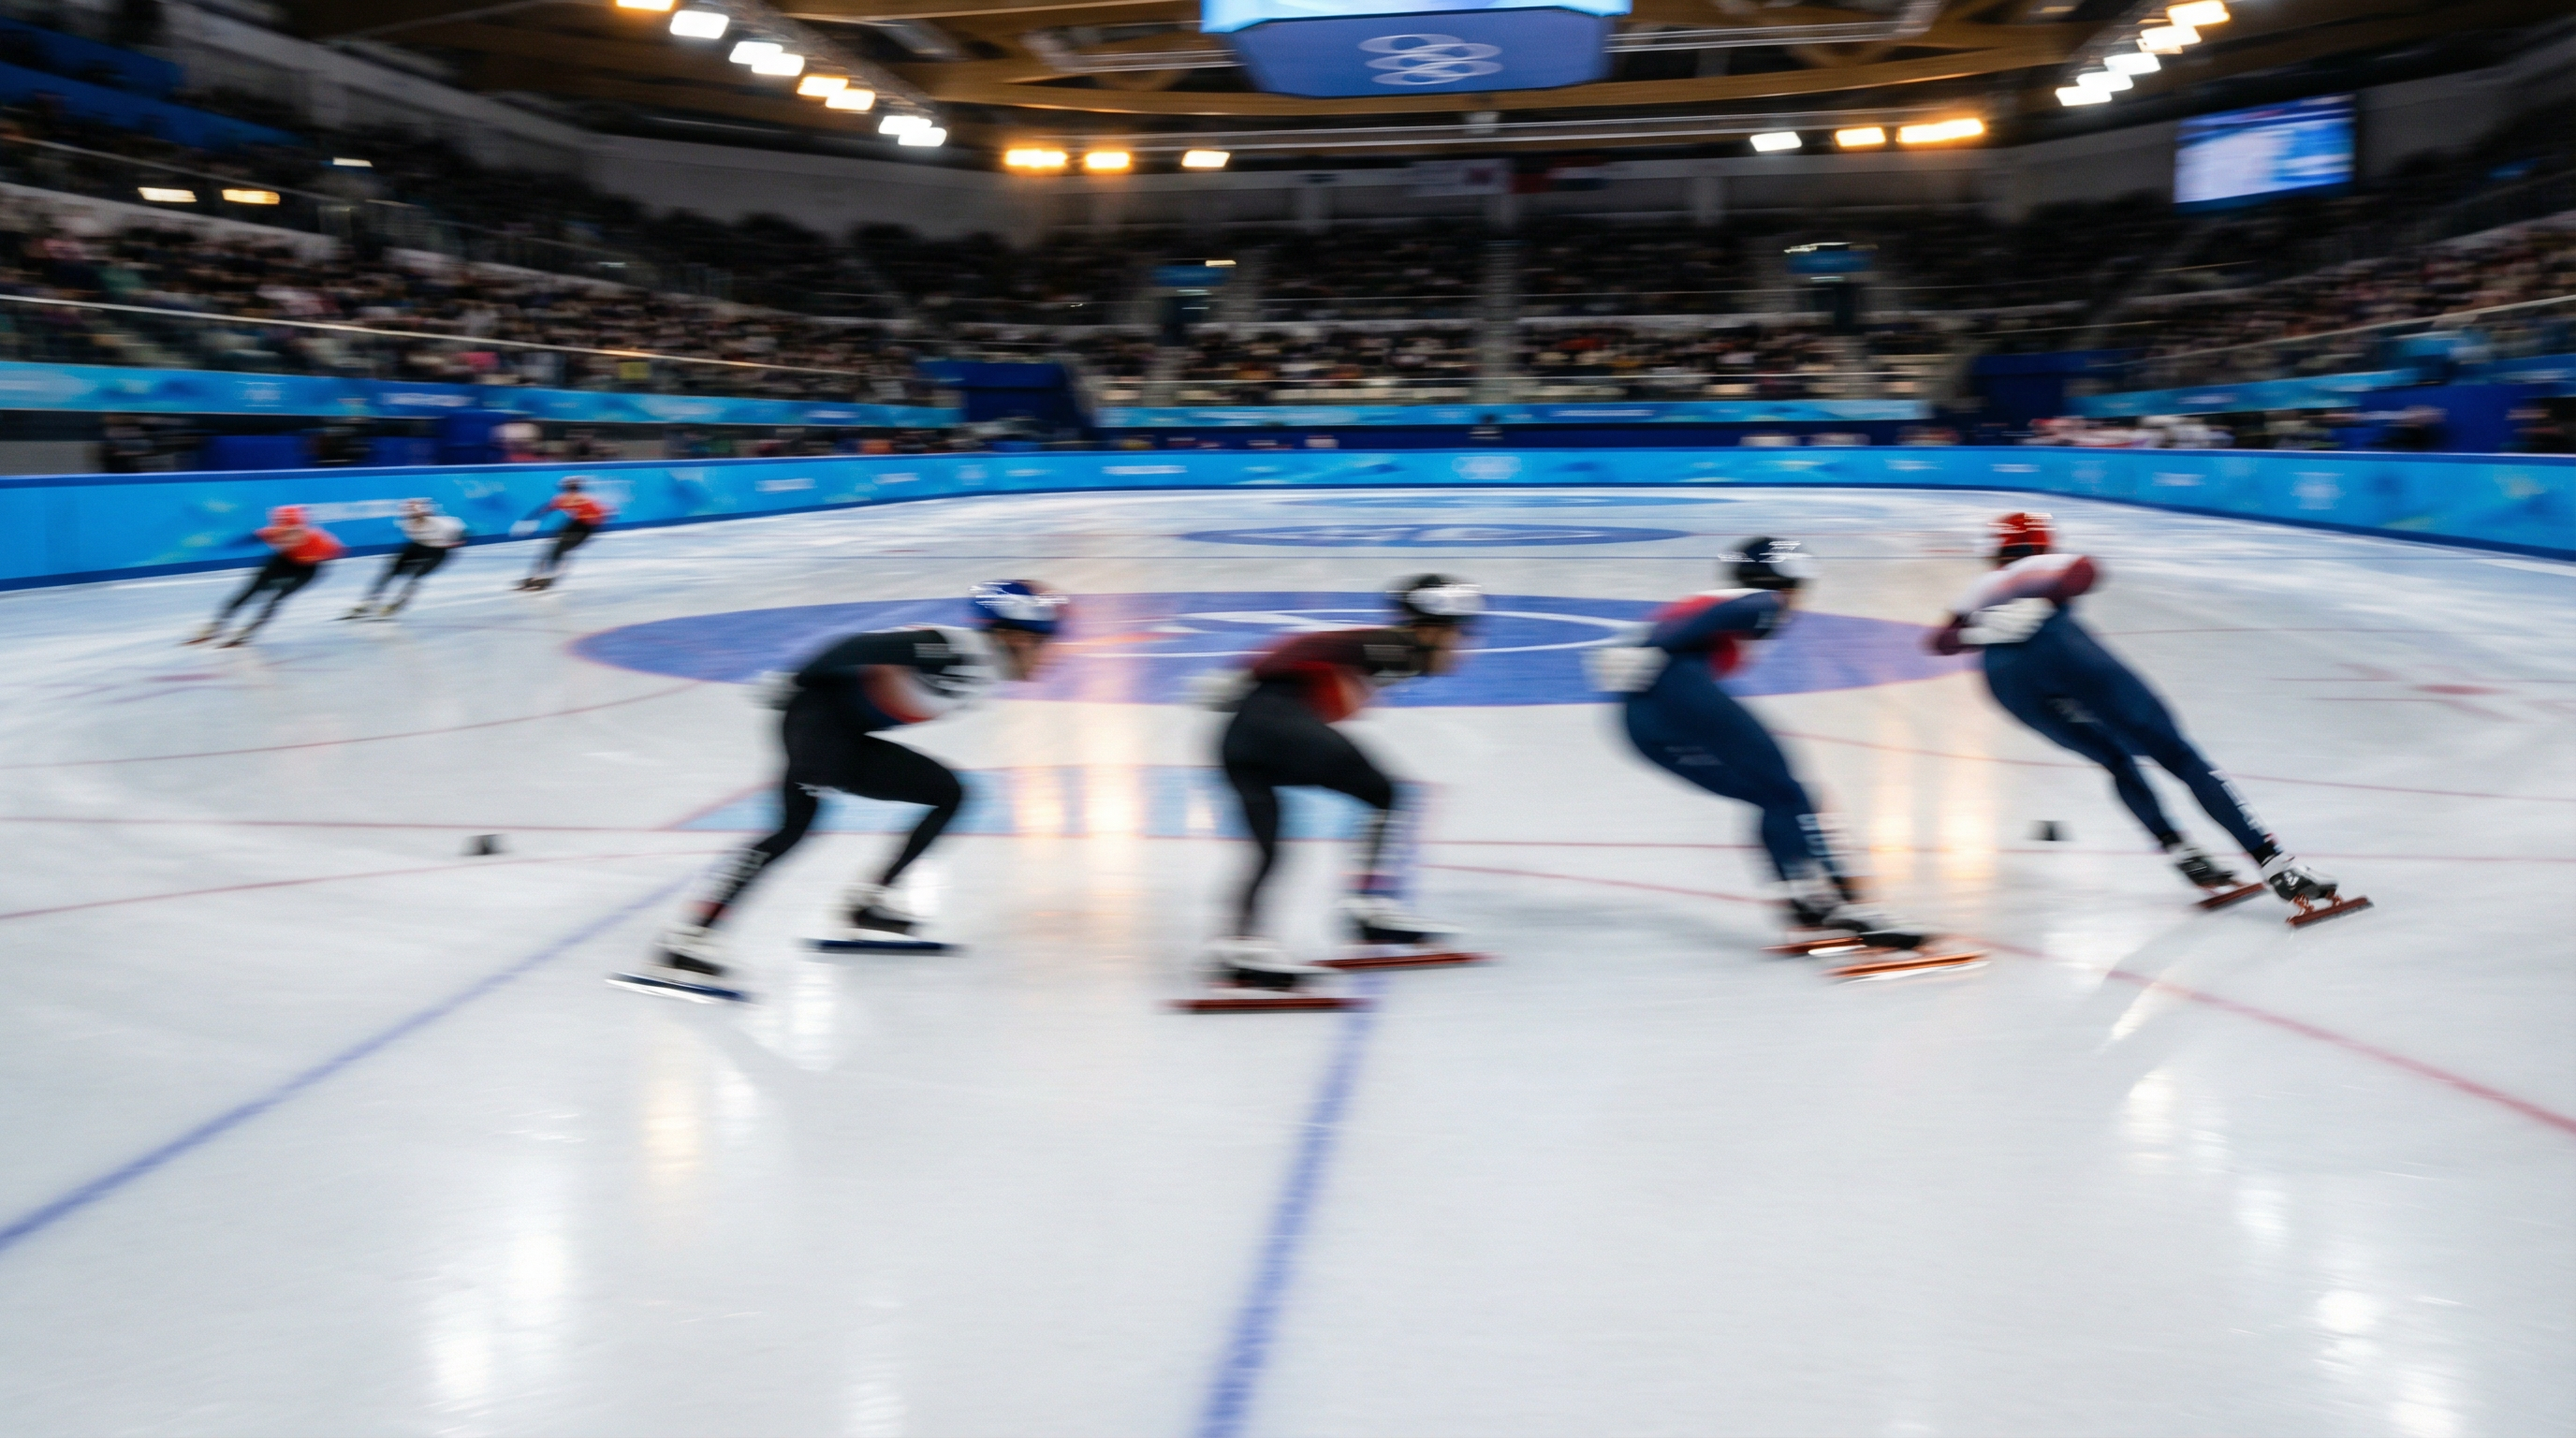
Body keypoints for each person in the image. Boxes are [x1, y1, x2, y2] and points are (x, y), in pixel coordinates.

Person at [622, 581, 1069, 1001]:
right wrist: (794, 679)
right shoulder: (957, 648)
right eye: (1047, 643)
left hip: (848, 737)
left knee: (949, 793)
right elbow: (856, 646)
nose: (1051, 657)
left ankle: (869, 903)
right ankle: (689, 939)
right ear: (1015, 637)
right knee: (792, 829)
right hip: (815, 721)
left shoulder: (986, 664)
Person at [1928, 512, 2353, 915]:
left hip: (2005, 682)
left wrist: (1979, 629)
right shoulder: (2034, 567)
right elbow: (2086, 570)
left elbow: (1939, 642)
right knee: (2179, 756)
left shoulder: (1980, 587)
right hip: (2060, 649)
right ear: (2039, 544)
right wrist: (2046, 600)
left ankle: (2176, 846)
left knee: (2115, 759)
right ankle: (2276, 865)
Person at [1590, 538, 1930, 949]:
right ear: (1785, 581)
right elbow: (1734, 612)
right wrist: (1648, 647)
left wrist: (1640, 647)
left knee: (1775, 796)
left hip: (1637, 721)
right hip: (1678, 695)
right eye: (1799, 591)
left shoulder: (1707, 600)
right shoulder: (1759, 601)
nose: (1796, 604)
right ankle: (1857, 906)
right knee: (1792, 790)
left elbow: (1668, 631)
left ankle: (1801, 900)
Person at [1198, 575, 1481, 995]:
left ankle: (1239, 944)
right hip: (1278, 726)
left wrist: (1244, 679)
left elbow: (1317, 653)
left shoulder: (1397, 653)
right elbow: (1316, 645)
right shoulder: (1397, 646)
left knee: (1268, 851)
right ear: (1429, 630)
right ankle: (1369, 908)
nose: (1464, 647)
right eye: (1460, 634)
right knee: (1384, 793)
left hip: (1237, 740)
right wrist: (1252, 668)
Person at [185, 506, 344, 648]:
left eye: (293, 531)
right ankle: (216, 626)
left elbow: (337, 552)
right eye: (283, 531)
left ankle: (250, 630)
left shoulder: (321, 543)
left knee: (276, 597)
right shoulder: (273, 533)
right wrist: (214, 545)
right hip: (284, 560)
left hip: (308, 569)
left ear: (302, 528)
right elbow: (244, 541)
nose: (287, 536)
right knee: (247, 592)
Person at [344, 498, 466, 620]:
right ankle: (369, 602)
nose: (413, 519)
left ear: (427, 514)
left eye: (417, 516)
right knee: (389, 571)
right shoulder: (406, 523)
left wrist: (456, 542)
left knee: (417, 576)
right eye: (410, 516)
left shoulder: (445, 525)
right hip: (417, 545)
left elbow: (463, 534)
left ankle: (399, 603)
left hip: (439, 550)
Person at [514, 477, 613, 591]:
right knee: (558, 550)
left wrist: (528, 522)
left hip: (581, 526)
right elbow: (607, 513)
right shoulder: (581, 499)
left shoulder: (564, 499)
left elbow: (542, 510)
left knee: (556, 550)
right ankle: (545, 576)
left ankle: (542, 576)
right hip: (581, 525)